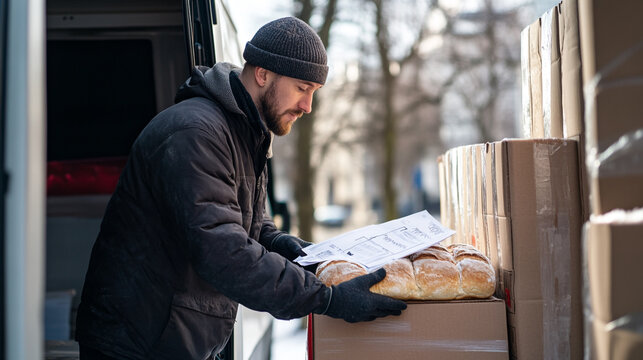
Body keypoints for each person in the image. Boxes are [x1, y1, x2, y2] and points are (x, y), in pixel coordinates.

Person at [75, 16, 407, 360]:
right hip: (134, 345)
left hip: (171, 341)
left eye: (314, 93)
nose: (308, 106)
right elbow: (223, 251)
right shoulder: (196, 133)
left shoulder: (245, 133)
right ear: (262, 74)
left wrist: (288, 248)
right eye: (302, 88)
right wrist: (327, 299)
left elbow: (249, 224)